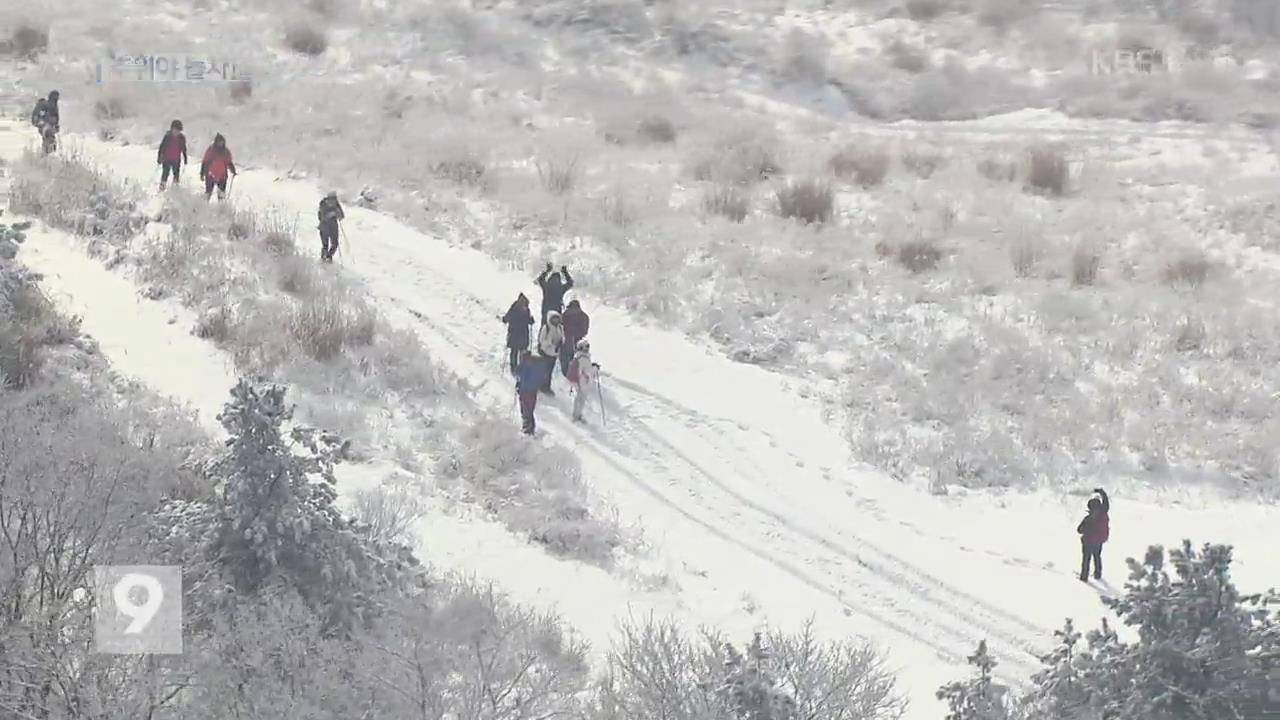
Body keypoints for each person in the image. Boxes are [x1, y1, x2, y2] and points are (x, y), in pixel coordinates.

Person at [1076, 488, 1110, 582]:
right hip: (1099, 540)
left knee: (1086, 559)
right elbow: (1106, 503)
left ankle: (1084, 577)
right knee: (1097, 556)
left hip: (1089, 541)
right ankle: (1098, 574)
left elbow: (1079, 530)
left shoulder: (1089, 518)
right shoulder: (1103, 513)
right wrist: (1102, 492)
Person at [499, 293, 535, 375]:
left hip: (519, 334)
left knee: (519, 351)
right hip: (517, 333)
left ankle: (518, 367)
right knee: (516, 351)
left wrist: (530, 320)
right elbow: (509, 317)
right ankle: (515, 367)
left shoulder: (522, 309)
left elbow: (508, 318)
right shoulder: (516, 309)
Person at [566, 339, 600, 423]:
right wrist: (595, 368)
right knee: (581, 399)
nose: (588, 348)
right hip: (582, 381)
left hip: (577, 380)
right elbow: (588, 372)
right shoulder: (584, 358)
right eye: (586, 347)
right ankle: (577, 415)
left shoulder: (578, 356)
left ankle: (576, 414)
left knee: (578, 397)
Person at [199, 133, 237, 200]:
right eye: (219, 142)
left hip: (222, 176)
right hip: (210, 175)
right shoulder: (211, 150)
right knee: (208, 193)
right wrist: (202, 173)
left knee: (221, 195)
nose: (220, 144)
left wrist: (233, 170)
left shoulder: (226, 151)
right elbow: (205, 162)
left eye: (222, 142)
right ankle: (204, 206)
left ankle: (221, 209)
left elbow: (229, 162)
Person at [514, 350, 543, 436]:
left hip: (527, 392)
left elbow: (521, 375)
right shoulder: (534, 365)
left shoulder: (527, 366)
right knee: (527, 410)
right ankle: (529, 428)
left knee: (526, 411)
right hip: (529, 391)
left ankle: (528, 429)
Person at [536, 310, 565, 395]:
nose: (555, 321)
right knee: (543, 370)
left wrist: (560, 344)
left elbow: (562, 337)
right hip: (545, 353)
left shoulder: (560, 327)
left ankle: (547, 386)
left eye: (557, 319)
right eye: (554, 319)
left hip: (554, 354)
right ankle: (540, 385)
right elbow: (541, 340)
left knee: (549, 371)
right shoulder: (546, 328)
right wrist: (551, 344)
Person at [560, 299, 589, 377]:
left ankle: (567, 372)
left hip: (567, 338)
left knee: (566, 356)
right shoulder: (584, 316)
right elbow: (585, 330)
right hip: (578, 340)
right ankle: (577, 373)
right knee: (578, 357)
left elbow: (560, 323)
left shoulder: (566, 314)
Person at [156, 120, 188, 191]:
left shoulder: (181, 138)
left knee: (176, 174)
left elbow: (184, 148)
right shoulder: (167, 137)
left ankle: (175, 189)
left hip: (176, 159)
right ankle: (162, 188)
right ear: (172, 129)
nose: (176, 132)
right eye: (175, 130)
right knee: (165, 173)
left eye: (178, 131)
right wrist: (159, 157)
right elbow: (162, 147)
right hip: (166, 158)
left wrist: (185, 158)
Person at [318, 191, 345, 262]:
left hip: (333, 227)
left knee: (335, 244)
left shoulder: (336, 204)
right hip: (324, 226)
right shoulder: (323, 204)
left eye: (334, 199)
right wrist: (332, 214)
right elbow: (322, 216)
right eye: (332, 198)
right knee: (325, 245)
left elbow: (342, 216)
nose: (333, 201)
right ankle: (324, 258)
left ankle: (329, 256)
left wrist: (338, 213)